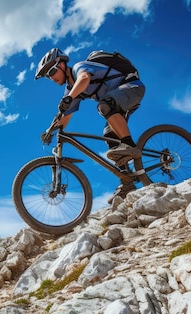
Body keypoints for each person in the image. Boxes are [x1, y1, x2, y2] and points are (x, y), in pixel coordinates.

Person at [34, 47, 145, 202]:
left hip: (132, 87)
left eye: (51, 72)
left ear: (62, 65)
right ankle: (127, 181)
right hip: (118, 100)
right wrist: (50, 131)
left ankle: (129, 145)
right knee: (109, 135)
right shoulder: (71, 89)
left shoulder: (80, 68)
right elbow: (65, 116)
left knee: (104, 106)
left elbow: (84, 79)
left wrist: (69, 98)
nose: (51, 78)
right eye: (47, 77)